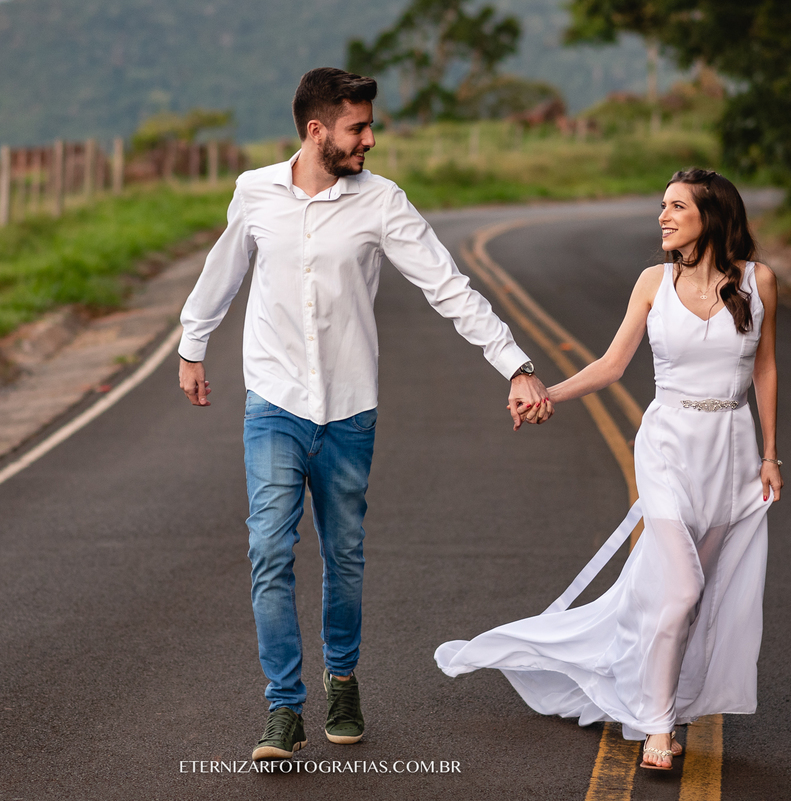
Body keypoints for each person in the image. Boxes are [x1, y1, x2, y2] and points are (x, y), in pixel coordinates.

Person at [177, 67, 550, 760]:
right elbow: (222, 270)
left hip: (350, 409)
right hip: (275, 404)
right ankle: (283, 707)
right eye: (357, 127)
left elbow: (449, 286)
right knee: (268, 550)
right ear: (316, 130)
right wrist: (192, 344)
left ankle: (341, 677)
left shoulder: (383, 202)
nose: (370, 139)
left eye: (370, 126)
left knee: (344, 556)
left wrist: (516, 364)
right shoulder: (255, 192)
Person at [436, 169, 782, 770]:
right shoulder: (653, 282)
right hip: (667, 444)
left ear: (712, 216)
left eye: (677, 207)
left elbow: (767, 370)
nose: (663, 217)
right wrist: (548, 394)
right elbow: (612, 364)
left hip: (730, 451)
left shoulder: (758, 282)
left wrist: (770, 455)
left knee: (690, 595)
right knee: (681, 587)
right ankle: (656, 728)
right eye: (662, 206)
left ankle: (660, 695)